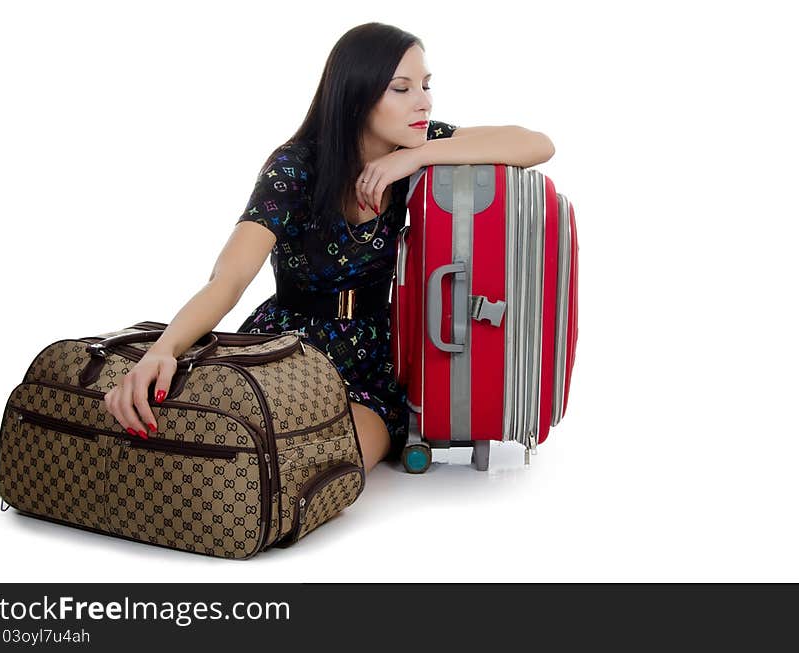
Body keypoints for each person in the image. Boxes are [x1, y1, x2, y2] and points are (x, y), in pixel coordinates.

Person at [103, 22, 556, 475]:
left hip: (375, 358)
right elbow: (230, 277)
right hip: (287, 349)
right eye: (401, 88)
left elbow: (537, 144)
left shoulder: (414, 146)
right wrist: (164, 348)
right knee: (240, 455)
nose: (424, 100)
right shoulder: (297, 166)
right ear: (356, 96)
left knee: (326, 470)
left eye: (426, 85)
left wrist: (413, 157)